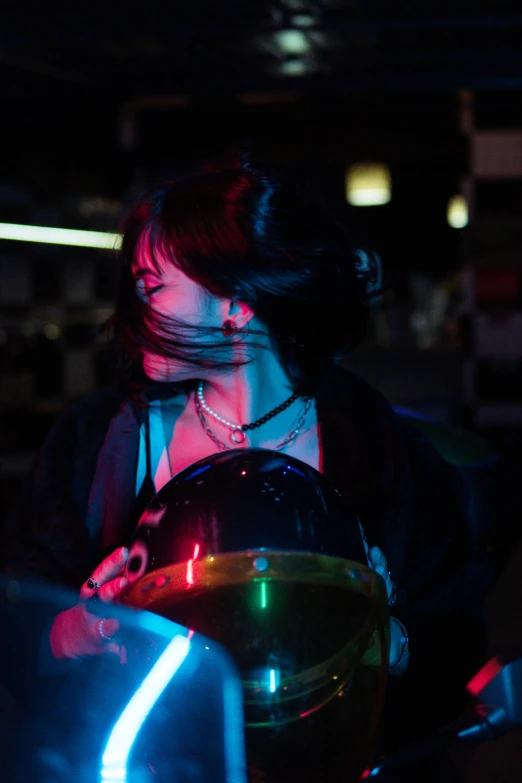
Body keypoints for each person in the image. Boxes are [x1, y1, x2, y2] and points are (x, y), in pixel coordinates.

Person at [1, 154, 491, 775]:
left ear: (235, 304)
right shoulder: (98, 443)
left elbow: (456, 642)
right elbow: (16, 621)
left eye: (151, 286)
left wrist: (383, 638)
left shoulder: (387, 455)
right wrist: (82, 627)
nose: (130, 310)